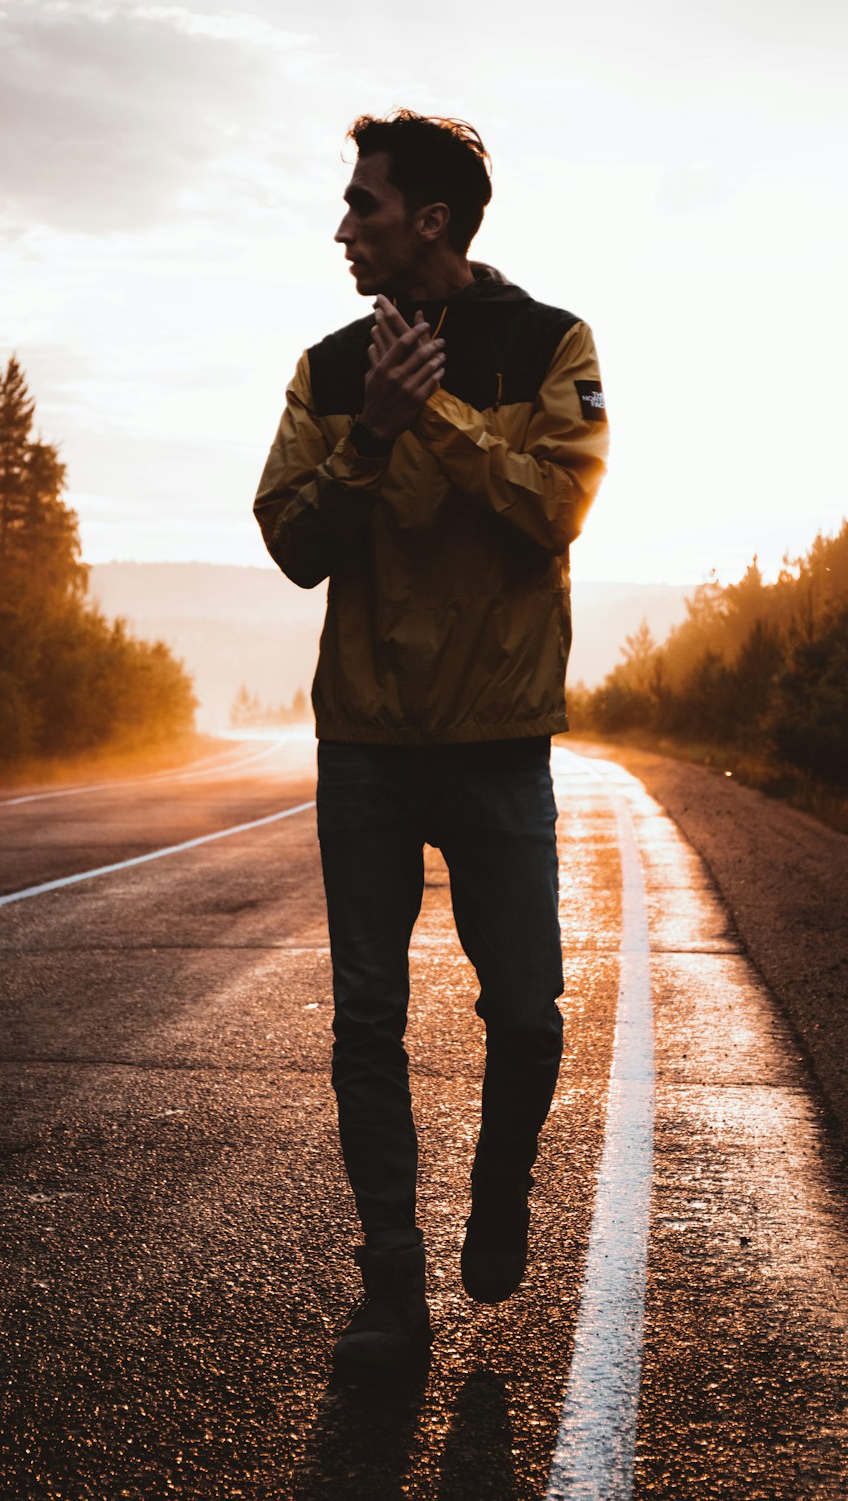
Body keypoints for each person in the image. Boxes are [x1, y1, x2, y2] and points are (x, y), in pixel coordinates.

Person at [253, 110, 608, 1379]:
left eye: (364, 204)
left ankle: (499, 1190)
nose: (343, 228)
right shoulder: (329, 368)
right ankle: (391, 1289)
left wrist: (438, 416)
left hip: (500, 743)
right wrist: (374, 432)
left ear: (431, 223)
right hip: (363, 743)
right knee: (366, 1021)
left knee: (525, 1013)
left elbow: (552, 505)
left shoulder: (548, 341)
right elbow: (294, 541)